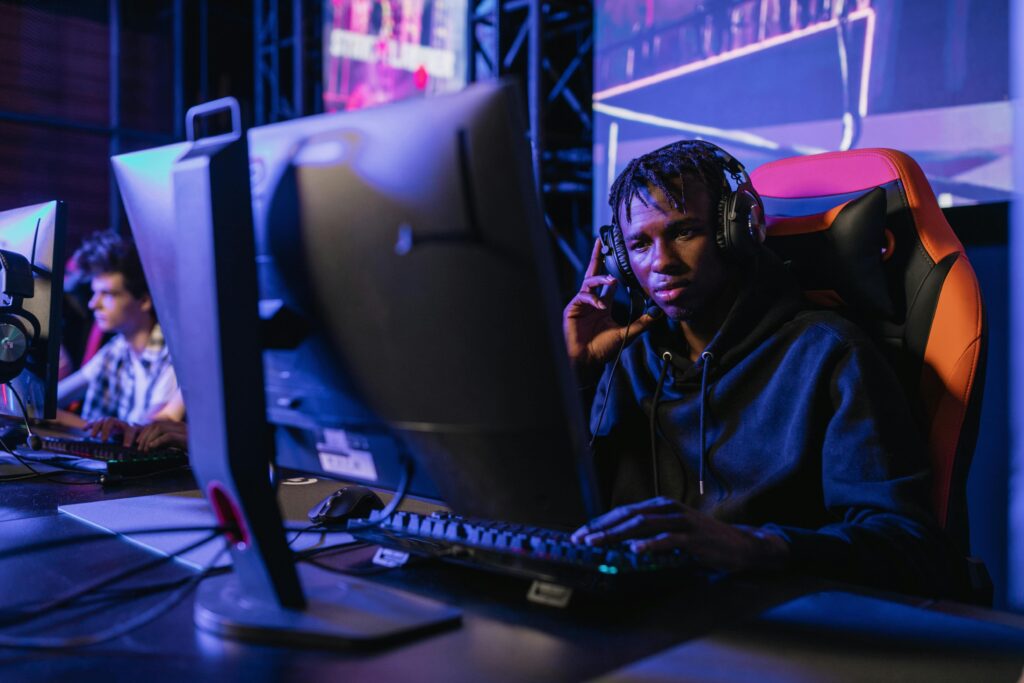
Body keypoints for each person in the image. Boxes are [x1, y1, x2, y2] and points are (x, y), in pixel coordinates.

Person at [563, 140, 963, 596]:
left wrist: (757, 547)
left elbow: (910, 546)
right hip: (647, 616)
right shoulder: (629, 363)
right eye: (639, 244)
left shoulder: (829, 356)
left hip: (780, 631)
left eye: (683, 232)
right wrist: (574, 376)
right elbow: (554, 511)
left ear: (737, 230)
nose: (661, 263)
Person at [56, 230, 179, 434]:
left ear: (144, 301)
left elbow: (147, 432)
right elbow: (54, 399)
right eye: (94, 293)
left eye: (107, 294)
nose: (93, 304)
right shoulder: (116, 350)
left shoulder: (172, 355)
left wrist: (53, 415)